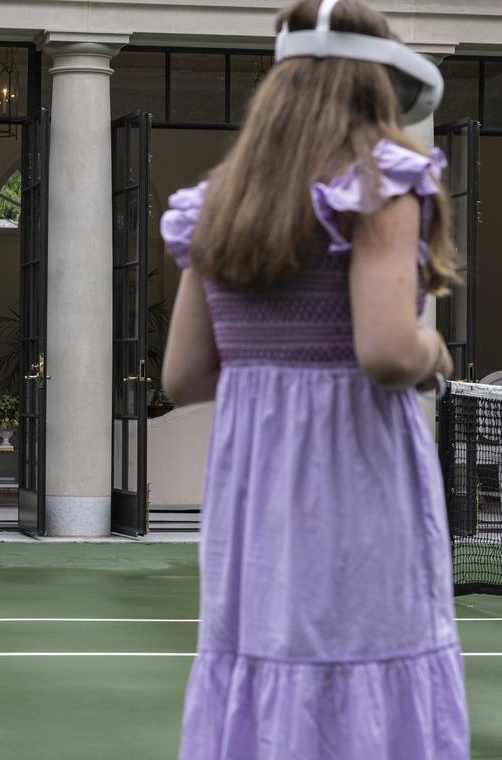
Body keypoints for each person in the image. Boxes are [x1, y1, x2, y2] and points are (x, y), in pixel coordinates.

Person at [160, 1, 468, 756]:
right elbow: (389, 351)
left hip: (256, 485)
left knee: (266, 654)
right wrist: (436, 353)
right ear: (377, 81)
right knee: (364, 647)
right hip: (355, 473)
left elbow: (185, 376)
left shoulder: (219, 204)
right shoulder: (380, 182)